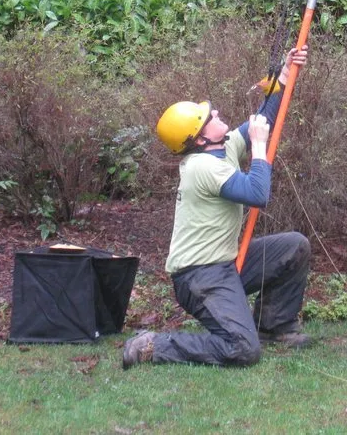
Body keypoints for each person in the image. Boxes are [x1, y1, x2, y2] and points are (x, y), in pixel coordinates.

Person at [122, 46, 312, 369]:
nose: (217, 115)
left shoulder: (221, 147)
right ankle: (154, 345)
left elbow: (263, 118)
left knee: (294, 247)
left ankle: (273, 324)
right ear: (198, 139)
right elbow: (258, 194)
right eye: (210, 119)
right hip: (200, 275)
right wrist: (260, 146)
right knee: (241, 349)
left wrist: (283, 77)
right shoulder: (202, 168)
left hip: (225, 262)